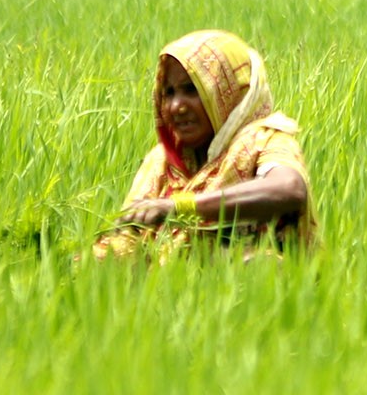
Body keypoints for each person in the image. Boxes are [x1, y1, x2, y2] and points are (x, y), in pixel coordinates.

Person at [88, 30, 313, 263]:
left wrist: (180, 207)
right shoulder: (162, 161)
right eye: (169, 93)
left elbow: (289, 189)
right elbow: (133, 235)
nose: (176, 106)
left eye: (192, 90)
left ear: (228, 91)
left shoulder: (265, 140)